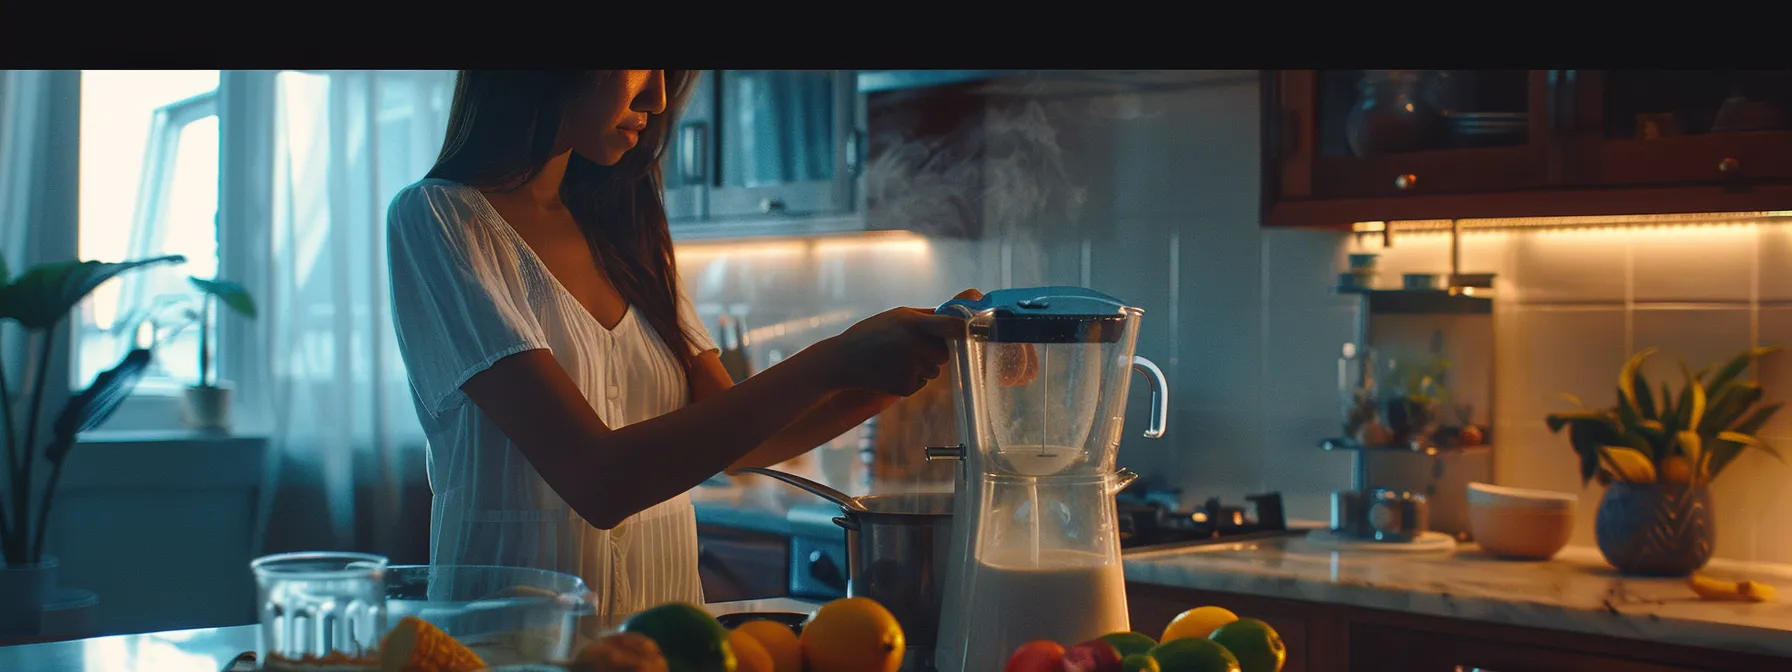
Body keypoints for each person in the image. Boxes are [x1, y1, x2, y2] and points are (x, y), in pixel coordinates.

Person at [385, 70, 972, 626]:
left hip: (664, 633)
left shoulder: (629, 228)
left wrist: (906, 364)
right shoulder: (440, 217)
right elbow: (598, 480)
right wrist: (837, 358)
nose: (659, 99)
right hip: (514, 641)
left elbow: (745, 444)